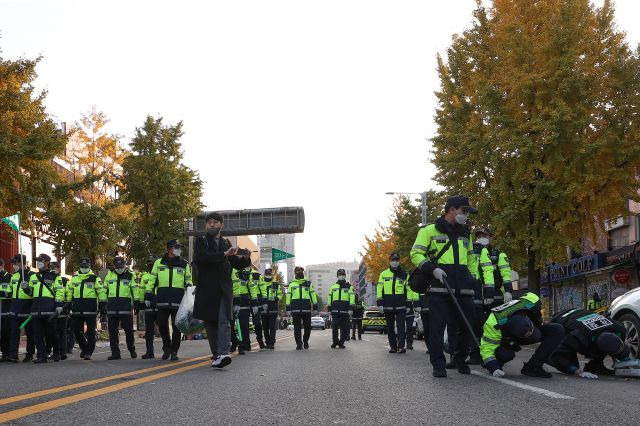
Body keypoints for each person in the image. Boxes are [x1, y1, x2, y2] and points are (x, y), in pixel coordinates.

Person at [410, 195, 483, 377]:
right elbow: (415, 254)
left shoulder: (466, 232)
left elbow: (471, 259)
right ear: (452, 210)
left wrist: (473, 278)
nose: (466, 215)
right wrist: (431, 269)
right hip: (439, 286)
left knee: (467, 326)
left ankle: (459, 359)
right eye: (464, 211)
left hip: (464, 287)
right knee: (437, 327)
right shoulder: (429, 231)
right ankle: (438, 364)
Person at [192, 212, 251, 368]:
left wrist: (245, 259)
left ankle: (224, 353)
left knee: (224, 321)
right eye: (209, 222)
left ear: (221, 225)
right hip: (207, 288)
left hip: (224, 289)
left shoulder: (226, 242)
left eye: (215, 222)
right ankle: (217, 355)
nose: (212, 224)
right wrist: (224, 254)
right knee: (211, 323)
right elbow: (202, 258)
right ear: (206, 225)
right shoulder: (201, 241)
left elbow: (235, 263)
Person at [480, 292, 564, 378]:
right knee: (506, 354)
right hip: (506, 339)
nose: (531, 338)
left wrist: (537, 320)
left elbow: (531, 296)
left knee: (556, 330)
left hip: (525, 326)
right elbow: (486, 349)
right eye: (528, 336)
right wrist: (493, 367)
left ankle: (534, 366)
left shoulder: (531, 304)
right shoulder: (493, 323)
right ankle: (495, 362)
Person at [550, 308, 629, 378]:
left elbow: (618, 349)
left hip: (579, 314)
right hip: (560, 321)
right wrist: (577, 371)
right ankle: (545, 357)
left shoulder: (619, 329)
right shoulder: (579, 337)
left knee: (609, 348)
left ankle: (595, 366)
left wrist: (628, 363)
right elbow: (558, 356)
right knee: (569, 365)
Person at [147, 240, 192, 361]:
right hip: (162, 299)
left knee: (177, 326)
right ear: (169, 249)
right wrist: (148, 292)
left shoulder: (184, 264)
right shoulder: (158, 263)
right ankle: (167, 346)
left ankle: (174, 351)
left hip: (178, 300)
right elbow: (152, 279)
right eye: (176, 247)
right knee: (161, 324)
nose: (179, 249)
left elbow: (188, 279)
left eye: (179, 247)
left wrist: (189, 286)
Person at [29, 254, 64, 363]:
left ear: (47, 262)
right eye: (38, 261)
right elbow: (30, 293)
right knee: (38, 335)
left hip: (49, 309)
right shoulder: (33, 276)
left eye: (41, 260)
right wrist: (25, 289)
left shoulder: (55, 276)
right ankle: (41, 356)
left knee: (51, 333)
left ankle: (57, 352)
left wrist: (59, 305)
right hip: (36, 308)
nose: (38, 262)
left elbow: (59, 291)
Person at [67, 257, 105, 360]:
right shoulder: (74, 278)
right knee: (76, 331)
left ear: (89, 267)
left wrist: (102, 303)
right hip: (77, 310)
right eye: (82, 266)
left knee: (91, 332)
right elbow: (69, 291)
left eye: (86, 266)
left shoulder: (95, 278)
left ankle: (88, 352)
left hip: (91, 309)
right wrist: (68, 302)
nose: (84, 268)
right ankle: (84, 348)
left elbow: (101, 292)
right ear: (80, 266)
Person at [468, 227, 496, 364]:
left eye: (485, 235)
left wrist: (489, 292)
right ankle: (469, 354)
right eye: (480, 235)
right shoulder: (469, 248)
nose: (482, 238)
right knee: (468, 324)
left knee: (478, 325)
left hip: (478, 293)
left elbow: (488, 271)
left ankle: (478, 354)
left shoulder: (486, 251)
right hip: (467, 290)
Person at [104, 256, 139, 360]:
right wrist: (102, 303)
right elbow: (104, 291)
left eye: (121, 266)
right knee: (113, 332)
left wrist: (136, 302)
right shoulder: (109, 276)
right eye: (117, 267)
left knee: (128, 330)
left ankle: (131, 348)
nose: (120, 268)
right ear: (114, 266)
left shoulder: (130, 275)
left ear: (124, 265)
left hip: (125, 307)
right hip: (112, 307)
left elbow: (135, 290)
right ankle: (115, 353)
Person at [377, 253, 408, 354]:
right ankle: (393, 347)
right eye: (393, 260)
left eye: (397, 260)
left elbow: (409, 290)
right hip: (388, 304)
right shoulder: (383, 274)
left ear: (399, 261)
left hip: (401, 304)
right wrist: (380, 303)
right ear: (389, 261)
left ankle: (401, 346)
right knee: (390, 327)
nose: (395, 262)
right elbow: (379, 289)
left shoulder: (404, 274)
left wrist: (409, 305)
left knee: (401, 327)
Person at [7, 254, 35, 363]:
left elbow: (34, 291)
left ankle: (29, 354)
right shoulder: (14, 276)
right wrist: (5, 292)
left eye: (15, 263)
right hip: (15, 307)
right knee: (14, 332)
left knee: (30, 333)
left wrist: (27, 288)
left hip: (28, 306)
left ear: (21, 263)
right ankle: (13, 355)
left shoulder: (32, 275)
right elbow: (10, 290)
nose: (14, 265)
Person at [476, 228, 513, 307]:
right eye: (479, 237)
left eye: (485, 236)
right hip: (477, 296)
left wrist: (508, 291)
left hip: (495, 296)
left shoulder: (499, 255)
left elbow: (506, 275)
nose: (481, 239)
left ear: (490, 238)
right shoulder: (473, 253)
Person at [286, 266, 318, 350]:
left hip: (306, 308)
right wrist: (288, 308)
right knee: (297, 328)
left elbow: (313, 295)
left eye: (301, 271)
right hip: (295, 309)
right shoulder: (292, 284)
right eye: (298, 271)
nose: (300, 272)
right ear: (295, 273)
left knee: (308, 327)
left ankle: (305, 340)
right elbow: (288, 296)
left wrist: (315, 307)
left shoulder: (308, 283)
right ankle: (299, 344)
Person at [231, 267, 255, 354]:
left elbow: (252, 288)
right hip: (231, 299)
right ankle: (235, 341)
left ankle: (244, 345)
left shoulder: (247, 274)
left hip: (244, 301)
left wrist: (255, 302)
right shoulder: (230, 269)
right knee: (229, 325)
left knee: (243, 326)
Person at [328, 269, 354, 349]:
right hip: (335, 310)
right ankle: (335, 342)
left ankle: (341, 342)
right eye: (339, 274)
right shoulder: (333, 287)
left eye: (342, 274)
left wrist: (351, 308)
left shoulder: (349, 287)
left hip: (345, 311)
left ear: (345, 275)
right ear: (337, 276)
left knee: (345, 328)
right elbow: (330, 297)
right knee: (335, 326)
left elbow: (352, 297)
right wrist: (329, 308)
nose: (341, 275)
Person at [140, 256, 158, 359]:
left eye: (151, 263)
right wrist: (141, 302)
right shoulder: (144, 276)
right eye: (148, 263)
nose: (149, 265)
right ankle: (149, 352)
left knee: (163, 329)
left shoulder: (161, 274)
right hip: (148, 306)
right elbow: (142, 290)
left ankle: (167, 349)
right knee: (149, 331)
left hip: (160, 306)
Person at [261, 268, 281, 349]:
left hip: (273, 308)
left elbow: (280, 294)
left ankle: (272, 343)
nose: (269, 276)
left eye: (270, 275)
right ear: (265, 275)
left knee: (272, 327)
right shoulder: (261, 283)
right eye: (267, 275)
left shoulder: (276, 284)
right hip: (264, 308)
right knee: (265, 327)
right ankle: (267, 342)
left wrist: (276, 298)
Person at [249, 269, 266, 349]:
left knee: (257, 322)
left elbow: (263, 288)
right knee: (243, 323)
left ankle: (260, 339)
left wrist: (264, 301)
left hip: (256, 300)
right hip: (244, 298)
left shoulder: (257, 275)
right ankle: (245, 343)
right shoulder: (238, 272)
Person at [0, 259, 13, 361]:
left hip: (5, 310)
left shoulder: (9, 277)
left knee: (5, 332)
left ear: (1, 266)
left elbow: (7, 293)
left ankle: (6, 354)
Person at [405, 286, 420, 350]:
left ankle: (409, 343)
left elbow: (415, 296)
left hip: (410, 309)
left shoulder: (411, 283)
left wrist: (416, 308)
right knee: (400, 328)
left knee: (409, 327)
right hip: (400, 308)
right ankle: (400, 344)